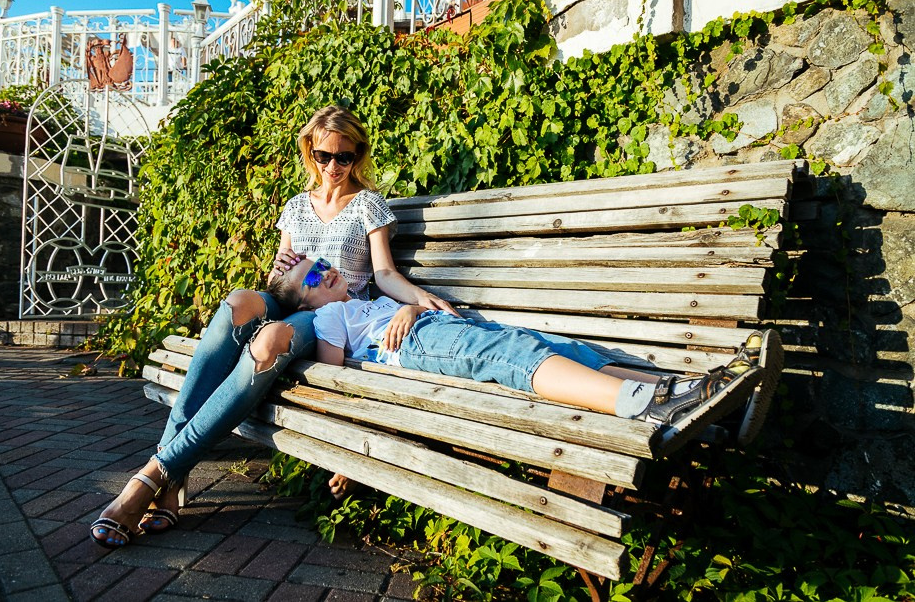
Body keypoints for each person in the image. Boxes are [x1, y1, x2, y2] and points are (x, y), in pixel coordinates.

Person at [90, 106, 456, 548]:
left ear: (358, 155)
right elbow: (279, 277)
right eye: (324, 156)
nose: (334, 166)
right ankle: (168, 474)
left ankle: (152, 478)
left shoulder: (367, 204)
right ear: (310, 152)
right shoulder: (297, 206)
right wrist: (280, 271)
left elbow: (382, 274)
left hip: (331, 310)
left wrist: (417, 297)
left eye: (344, 156)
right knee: (237, 303)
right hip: (292, 297)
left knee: (269, 341)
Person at [267, 257, 769, 453]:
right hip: (416, 349)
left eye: (323, 263)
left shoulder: (367, 300)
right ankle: (650, 405)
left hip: (435, 328)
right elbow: (339, 380)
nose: (326, 271)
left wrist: (411, 308)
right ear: (305, 305)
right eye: (313, 277)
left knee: (561, 348)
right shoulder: (328, 318)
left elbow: (407, 308)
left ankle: (690, 391)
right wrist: (348, 447)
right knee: (512, 355)